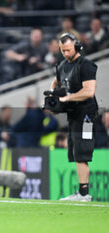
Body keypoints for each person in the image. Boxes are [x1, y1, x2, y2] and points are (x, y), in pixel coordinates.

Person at [48, 33, 98, 201]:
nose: (66, 54)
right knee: (76, 152)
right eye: (63, 51)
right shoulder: (62, 65)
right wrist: (53, 98)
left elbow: (89, 91)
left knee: (82, 151)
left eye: (68, 50)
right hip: (74, 114)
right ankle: (81, 193)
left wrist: (67, 98)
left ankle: (84, 194)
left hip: (86, 116)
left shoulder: (86, 65)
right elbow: (56, 83)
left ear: (76, 46)